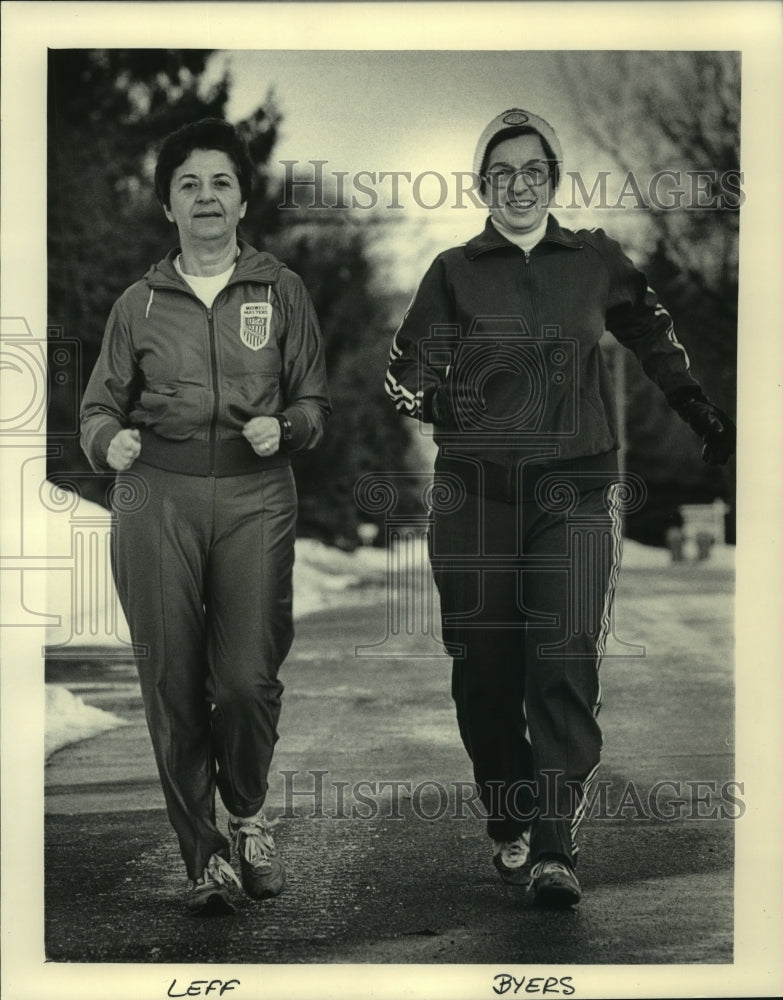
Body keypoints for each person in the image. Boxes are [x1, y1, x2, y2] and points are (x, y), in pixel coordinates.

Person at [385, 108, 735, 908]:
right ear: (482, 185)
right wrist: (448, 393)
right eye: (501, 172)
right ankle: (507, 809)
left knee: (563, 656)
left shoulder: (592, 259)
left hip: (575, 485)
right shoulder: (452, 271)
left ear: (552, 179)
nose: (517, 185)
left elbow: (651, 328)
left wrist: (693, 402)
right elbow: (402, 371)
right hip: (475, 490)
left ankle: (552, 841)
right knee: (484, 668)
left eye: (532, 171)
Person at [80, 118, 331, 915]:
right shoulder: (136, 304)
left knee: (247, 679)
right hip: (156, 499)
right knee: (174, 684)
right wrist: (105, 441)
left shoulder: (280, 290)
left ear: (243, 198)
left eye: (220, 182)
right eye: (187, 184)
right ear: (167, 207)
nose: (205, 196)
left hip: (257, 497)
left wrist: (286, 427)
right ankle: (206, 857)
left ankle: (249, 816)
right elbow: (95, 405)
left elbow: (314, 400)